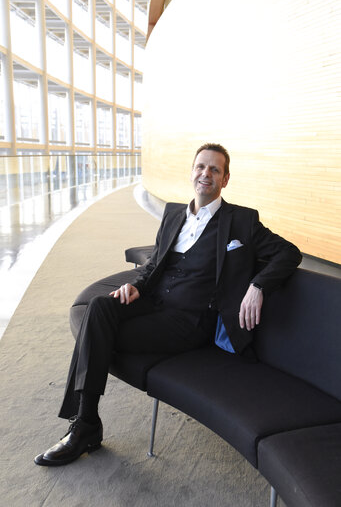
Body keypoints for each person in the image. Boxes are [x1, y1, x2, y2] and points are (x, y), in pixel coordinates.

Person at [34, 143, 302, 466]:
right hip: (152, 302)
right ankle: (85, 424)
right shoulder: (174, 214)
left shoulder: (241, 221)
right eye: (201, 167)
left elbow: (289, 253)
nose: (206, 174)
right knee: (100, 308)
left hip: (189, 322)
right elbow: (153, 264)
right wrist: (135, 286)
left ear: (225, 179)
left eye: (215, 170)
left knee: (98, 332)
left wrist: (258, 285)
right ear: (192, 172)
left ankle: (84, 426)